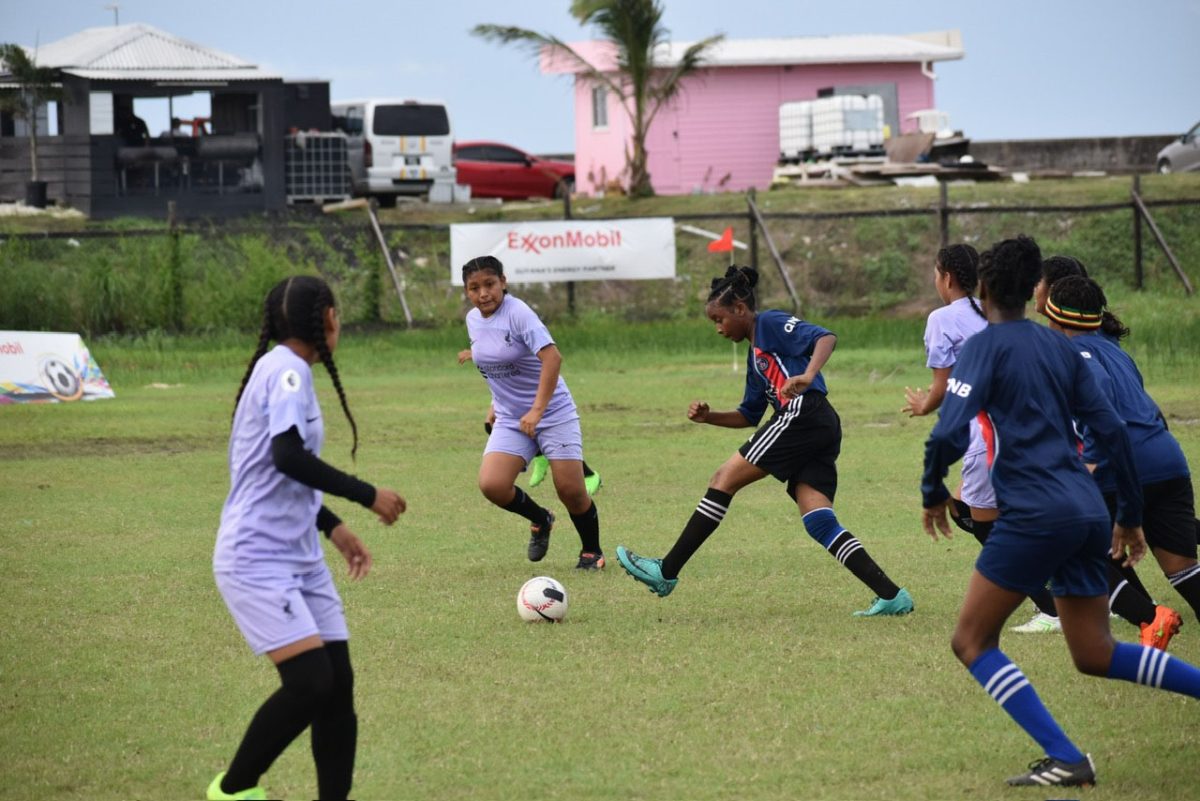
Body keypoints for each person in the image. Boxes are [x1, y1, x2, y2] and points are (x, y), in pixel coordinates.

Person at [920, 235, 1200, 787]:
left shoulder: (983, 348)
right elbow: (1113, 432)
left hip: (1035, 513)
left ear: (982, 292)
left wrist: (933, 488)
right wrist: (1128, 516)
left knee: (971, 642)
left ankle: (1066, 758)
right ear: (1033, 292)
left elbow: (949, 431)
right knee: (1094, 651)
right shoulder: (1063, 349)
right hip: (1086, 509)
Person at [616, 265, 913, 615]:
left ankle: (666, 571)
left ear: (740, 309)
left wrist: (808, 374)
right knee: (818, 520)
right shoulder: (754, 357)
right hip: (817, 424)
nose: (718, 328)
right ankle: (893, 595)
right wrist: (708, 416)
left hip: (803, 412)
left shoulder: (769, 323)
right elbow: (748, 416)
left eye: (720, 319)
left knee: (722, 479)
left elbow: (825, 337)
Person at [209, 276, 406, 801]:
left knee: (338, 690)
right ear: (327, 320)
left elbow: (283, 473)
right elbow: (288, 457)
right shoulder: (289, 372)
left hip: (300, 557)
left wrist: (332, 527)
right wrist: (367, 495)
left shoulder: (282, 368)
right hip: (255, 557)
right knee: (310, 684)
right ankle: (233, 790)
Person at [903, 245, 1062, 634]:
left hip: (983, 433)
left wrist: (925, 405)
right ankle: (1063, 589)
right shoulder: (993, 311)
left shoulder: (941, 318)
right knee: (962, 506)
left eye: (936, 273)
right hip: (1023, 426)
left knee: (991, 528)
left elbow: (942, 385)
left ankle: (1053, 607)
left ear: (948, 278)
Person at [1036, 256, 1182, 641]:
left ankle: (1150, 616)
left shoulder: (1078, 353)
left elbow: (1104, 410)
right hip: (1166, 456)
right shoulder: (1112, 346)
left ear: (1056, 312)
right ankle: (1152, 614)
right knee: (1181, 569)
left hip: (1124, 463)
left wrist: (1091, 461)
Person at [461, 256, 604, 569]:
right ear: (467, 292)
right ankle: (541, 519)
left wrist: (538, 410)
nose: (483, 293)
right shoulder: (473, 319)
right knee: (492, 485)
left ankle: (591, 552)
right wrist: (495, 405)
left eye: (489, 284)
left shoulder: (519, 313)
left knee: (571, 491)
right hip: (512, 418)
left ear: (503, 282)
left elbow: (553, 359)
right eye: (474, 288)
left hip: (552, 412)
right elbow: (496, 364)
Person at [458, 347, 603, 496]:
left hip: (539, 394)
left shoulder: (522, 327)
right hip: (512, 395)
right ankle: (541, 456)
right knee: (491, 426)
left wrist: (480, 353)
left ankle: (588, 475)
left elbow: (528, 358)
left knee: (554, 444)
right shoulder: (481, 327)